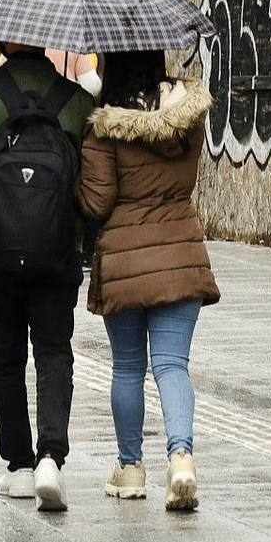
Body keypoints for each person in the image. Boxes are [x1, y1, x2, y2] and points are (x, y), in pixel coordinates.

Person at [0, 40, 94, 512]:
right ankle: (51, 457)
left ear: (3, 41)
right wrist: (70, 231)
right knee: (53, 352)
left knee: (6, 357)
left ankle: (20, 466)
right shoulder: (79, 102)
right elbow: (95, 185)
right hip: (57, 254)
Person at [75, 50, 221, 512]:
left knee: (127, 369)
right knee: (172, 366)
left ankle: (131, 467)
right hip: (181, 253)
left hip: (124, 263)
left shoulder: (105, 124)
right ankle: (180, 457)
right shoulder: (188, 116)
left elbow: (97, 204)